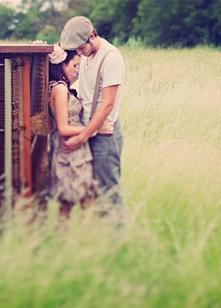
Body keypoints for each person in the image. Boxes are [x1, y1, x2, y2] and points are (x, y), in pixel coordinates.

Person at [60, 16, 125, 208]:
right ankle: (101, 234)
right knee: (93, 192)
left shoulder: (111, 58)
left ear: (91, 35)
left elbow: (107, 105)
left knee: (108, 193)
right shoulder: (86, 56)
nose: (79, 52)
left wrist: (81, 137)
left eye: (81, 47)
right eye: (76, 50)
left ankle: (119, 235)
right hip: (90, 130)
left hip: (104, 135)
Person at [47, 44, 98, 219]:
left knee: (68, 202)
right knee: (81, 198)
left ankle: (71, 241)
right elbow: (63, 127)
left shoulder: (59, 87)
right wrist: (93, 129)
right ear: (61, 65)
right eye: (74, 65)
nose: (77, 71)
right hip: (70, 150)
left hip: (73, 147)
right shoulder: (60, 89)